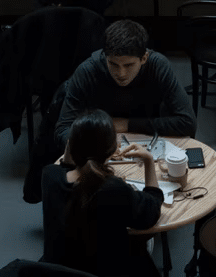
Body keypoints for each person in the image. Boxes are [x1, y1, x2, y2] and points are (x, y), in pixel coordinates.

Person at [41, 109, 163, 277]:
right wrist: (149, 161)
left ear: (70, 144)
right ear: (112, 150)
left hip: (59, 270)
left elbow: (65, 168)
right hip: (105, 271)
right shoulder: (113, 188)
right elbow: (151, 213)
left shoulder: (49, 176)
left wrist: (73, 149)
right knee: (146, 241)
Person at [54, 19, 197, 151]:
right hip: (99, 145)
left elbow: (188, 123)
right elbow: (62, 130)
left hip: (146, 144)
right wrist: (93, 142)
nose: (121, 73)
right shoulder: (87, 70)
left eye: (128, 65)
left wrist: (126, 124)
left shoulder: (158, 65)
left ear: (144, 58)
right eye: (113, 64)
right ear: (105, 56)